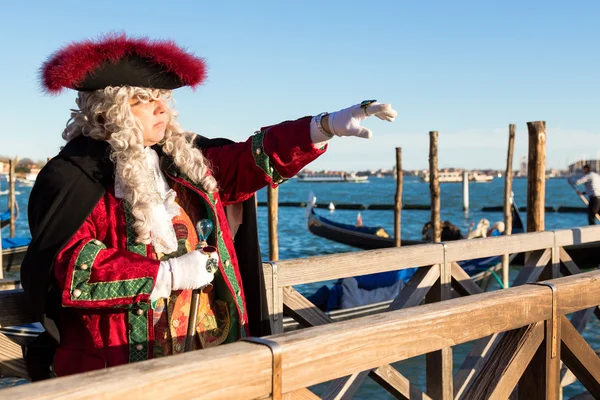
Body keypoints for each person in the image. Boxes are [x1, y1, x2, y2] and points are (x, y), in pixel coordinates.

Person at [20, 34, 398, 379]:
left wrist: (324, 126)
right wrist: (166, 275)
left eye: (163, 99)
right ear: (110, 108)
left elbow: (251, 160)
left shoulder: (182, 160)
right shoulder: (71, 178)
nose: (161, 109)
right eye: (144, 100)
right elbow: (72, 270)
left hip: (209, 360)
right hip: (122, 371)